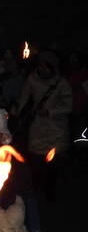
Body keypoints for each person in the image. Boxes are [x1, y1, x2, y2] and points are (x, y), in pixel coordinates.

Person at [14, 51, 73, 200]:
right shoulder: (32, 79)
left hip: (56, 128)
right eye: (39, 66)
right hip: (38, 126)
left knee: (53, 161)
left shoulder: (61, 83)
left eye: (45, 66)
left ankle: (49, 190)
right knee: (36, 160)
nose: (41, 69)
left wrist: (51, 112)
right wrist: (19, 113)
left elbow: (68, 105)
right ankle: (35, 188)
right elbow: (24, 98)